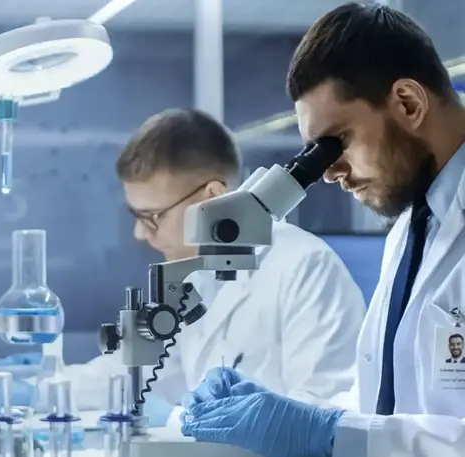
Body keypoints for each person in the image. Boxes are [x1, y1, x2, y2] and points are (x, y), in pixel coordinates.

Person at [179, 3, 465, 457]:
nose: (328, 172)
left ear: (408, 103)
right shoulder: (413, 229)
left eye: (337, 141)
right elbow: (387, 407)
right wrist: (284, 411)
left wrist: (325, 432)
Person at [0, 108, 368, 429]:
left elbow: (325, 421)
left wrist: (178, 419)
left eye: (152, 216)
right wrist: (35, 388)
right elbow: (129, 374)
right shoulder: (188, 273)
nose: (140, 233)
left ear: (211, 197)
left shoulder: (304, 268)